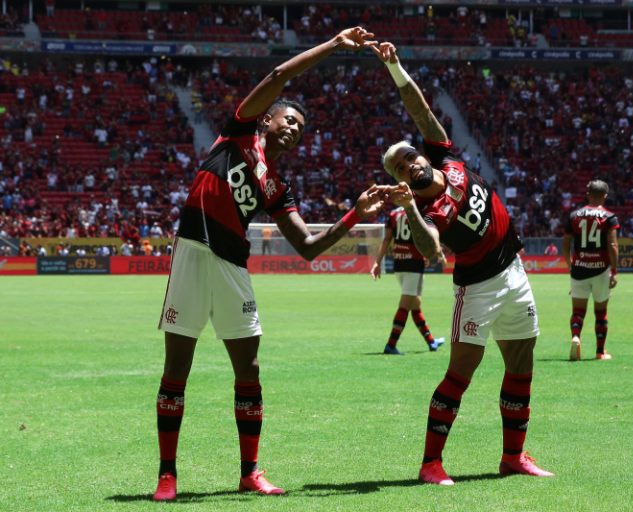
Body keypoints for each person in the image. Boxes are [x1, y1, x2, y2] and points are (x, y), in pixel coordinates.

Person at [153, 27, 383, 502]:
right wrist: (335, 48)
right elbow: (279, 74)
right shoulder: (237, 133)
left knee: (250, 370)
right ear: (266, 121)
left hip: (233, 268)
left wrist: (354, 215)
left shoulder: (277, 185)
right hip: (193, 253)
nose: (295, 127)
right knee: (177, 369)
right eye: (289, 119)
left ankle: (250, 472)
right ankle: (167, 475)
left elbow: (309, 247)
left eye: (302, 126)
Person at [371, 41, 552, 486]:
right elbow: (432, 248)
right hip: (479, 287)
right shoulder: (425, 211)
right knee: (460, 374)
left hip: (515, 270)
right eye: (398, 168)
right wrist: (408, 204)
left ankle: (513, 456)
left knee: (521, 363)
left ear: (420, 154)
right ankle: (431, 463)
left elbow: (419, 110)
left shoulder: (446, 156)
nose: (407, 166)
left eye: (408, 157)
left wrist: (395, 68)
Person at [371, 206, 445, 355]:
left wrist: (377, 262)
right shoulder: (418, 213)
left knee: (415, 305)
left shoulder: (393, 213)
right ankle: (390, 345)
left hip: (399, 264)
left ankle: (431, 342)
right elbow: (427, 237)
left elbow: (386, 240)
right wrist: (436, 255)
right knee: (405, 305)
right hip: (414, 265)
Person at [562, 180, 620, 362]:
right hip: (600, 269)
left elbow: (565, 243)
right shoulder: (609, 217)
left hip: (579, 269)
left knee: (578, 311)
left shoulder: (574, 216)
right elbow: (612, 245)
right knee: (600, 312)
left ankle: (576, 336)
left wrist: (570, 265)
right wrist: (614, 270)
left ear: (588, 194)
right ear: (605, 195)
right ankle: (600, 352)